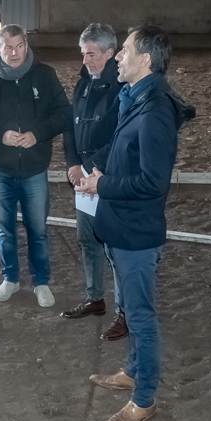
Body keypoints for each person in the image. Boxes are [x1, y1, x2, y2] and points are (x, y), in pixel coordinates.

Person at [80, 25, 194, 421]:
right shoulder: (135, 97)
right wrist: (94, 163)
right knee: (129, 307)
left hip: (136, 233)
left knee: (141, 317)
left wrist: (101, 184)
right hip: (120, 227)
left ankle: (143, 399)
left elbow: (152, 181)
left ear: (146, 59)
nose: (117, 57)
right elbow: (119, 148)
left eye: (124, 50)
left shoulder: (156, 112)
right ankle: (131, 370)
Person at [0, 24, 69, 308]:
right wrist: (1, 136)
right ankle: (10, 278)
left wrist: (38, 134)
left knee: (38, 229)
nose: (14, 53)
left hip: (34, 169)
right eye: (7, 47)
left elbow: (63, 113)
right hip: (0, 171)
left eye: (19, 46)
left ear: (26, 45)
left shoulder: (44, 76)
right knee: (3, 229)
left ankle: (41, 281)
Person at [60, 23, 128, 341]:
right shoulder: (83, 83)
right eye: (83, 53)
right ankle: (95, 297)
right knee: (87, 239)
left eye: (92, 54)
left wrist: (92, 167)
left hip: (108, 177)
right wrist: (73, 163)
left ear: (110, 53)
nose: (86, 60)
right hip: (83, 177)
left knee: (115, 246)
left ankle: (124, 312)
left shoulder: (122, 89)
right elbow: (70, 126)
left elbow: (121, 137)